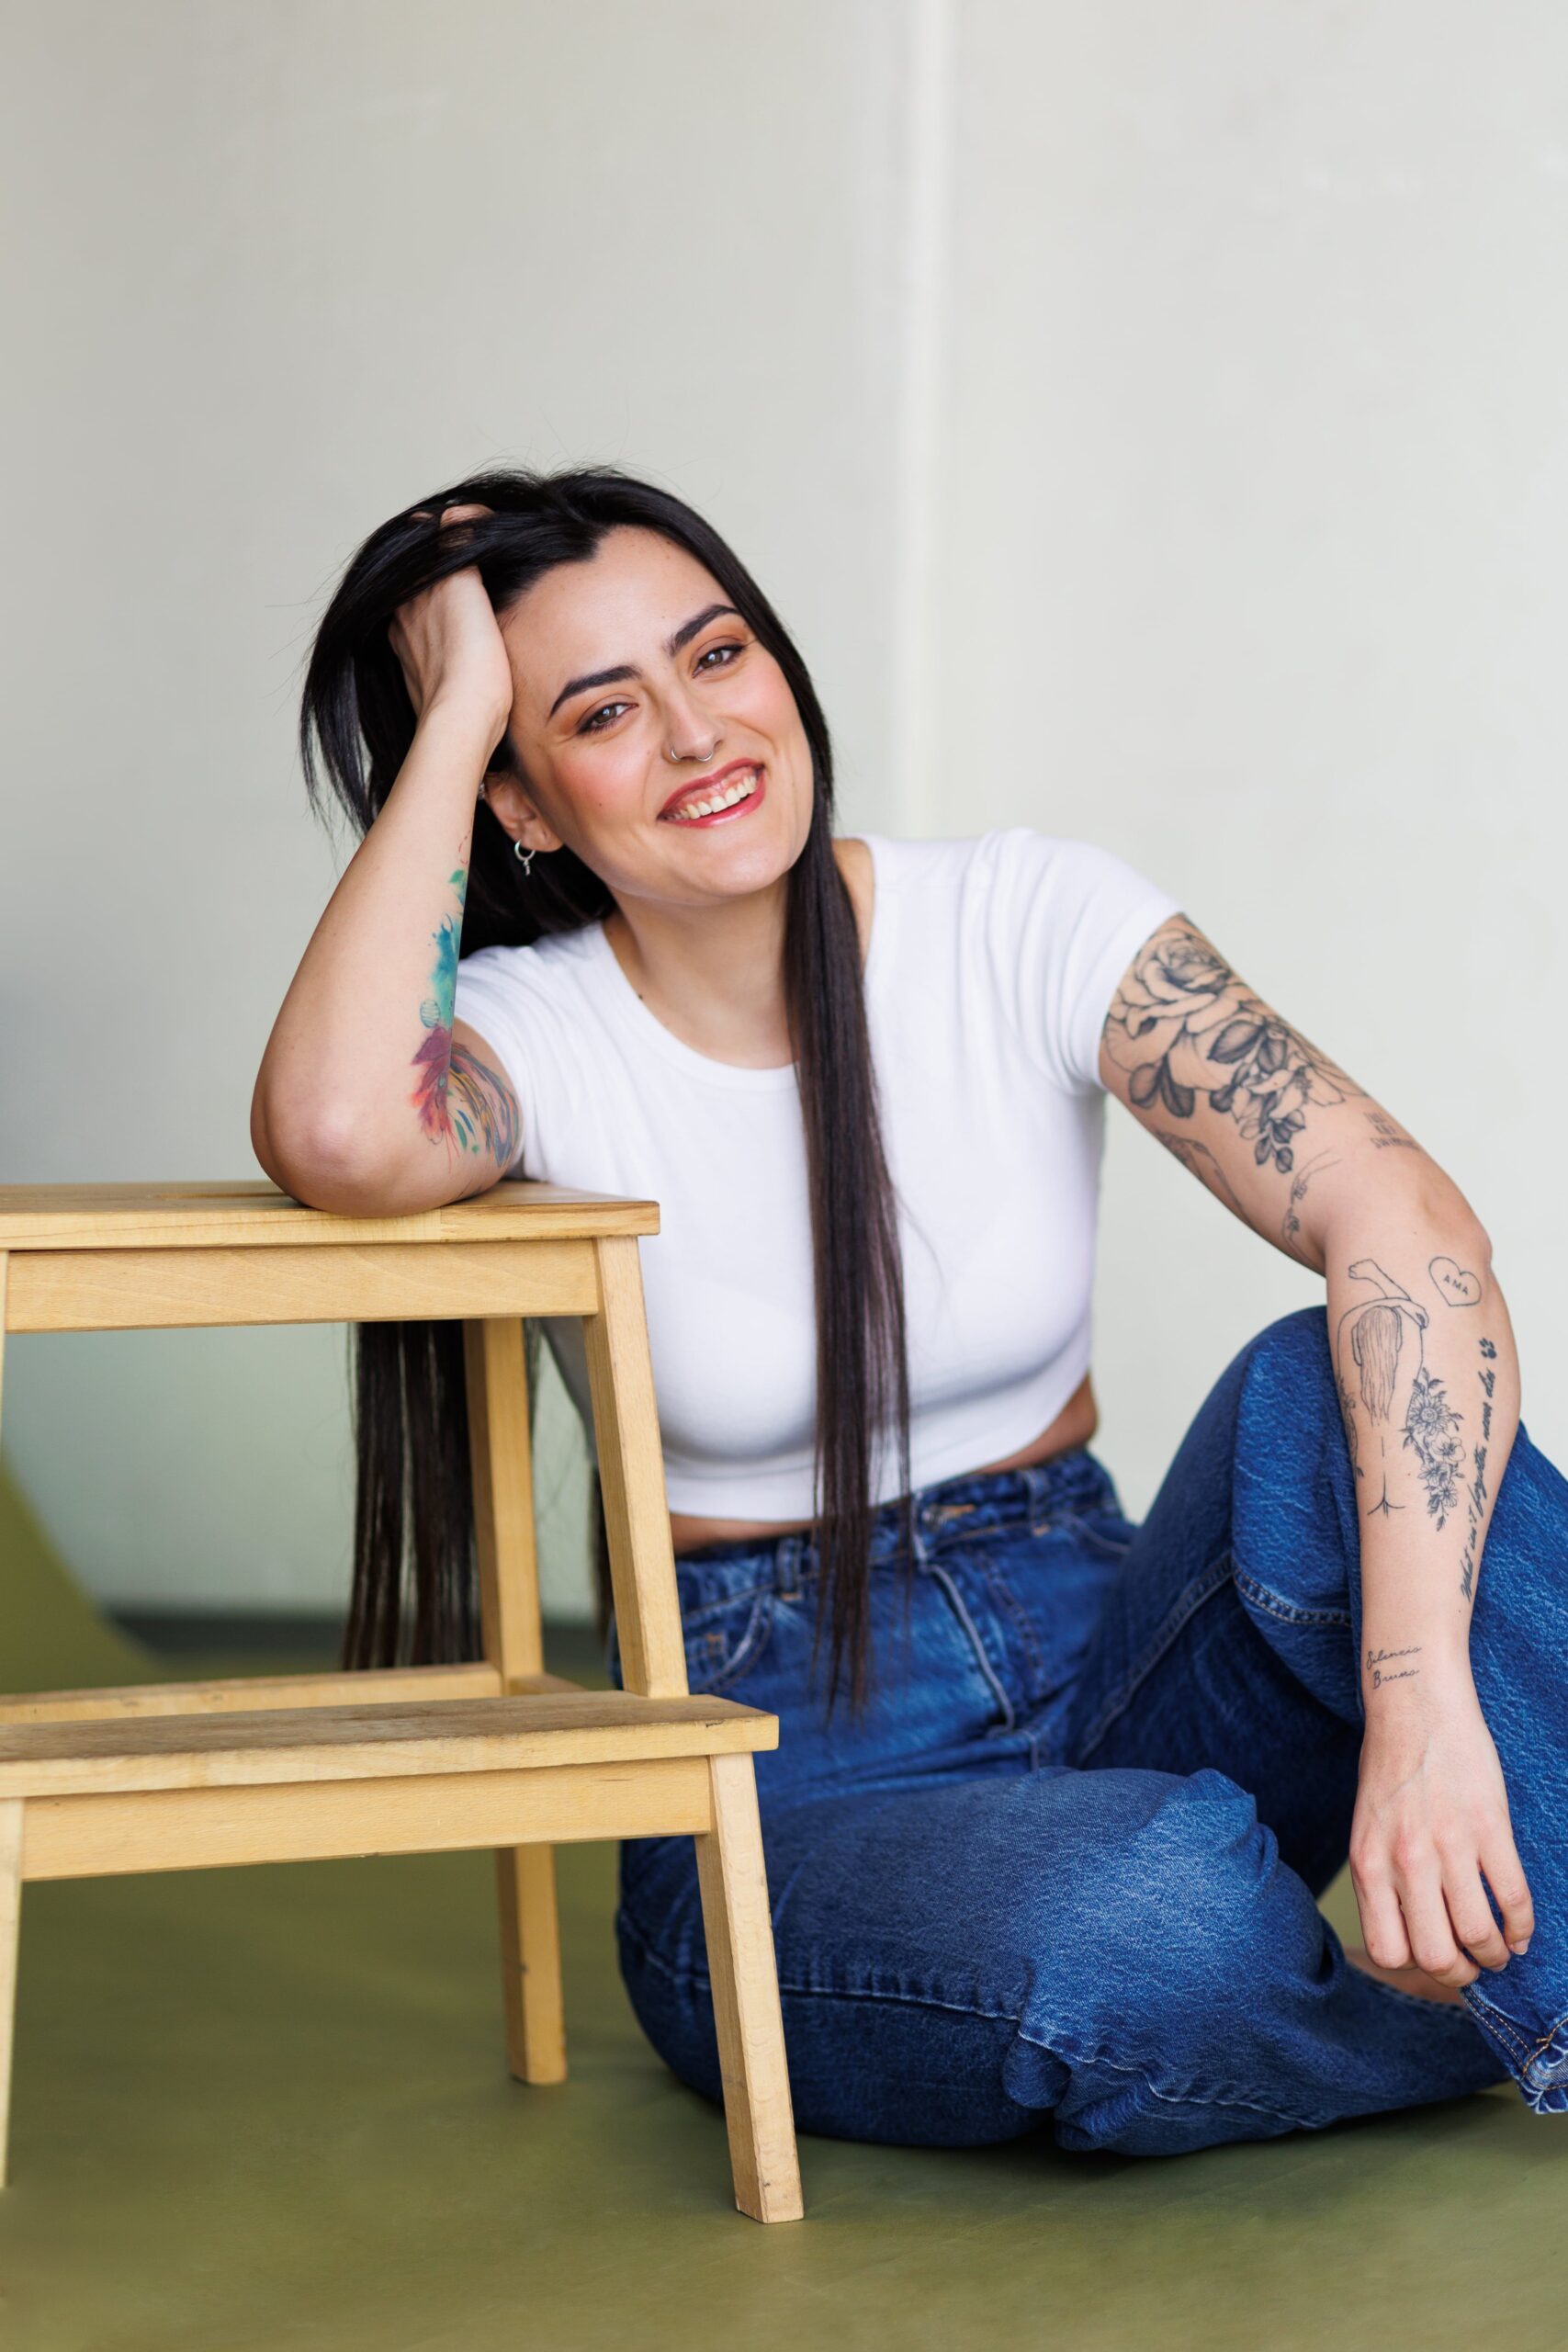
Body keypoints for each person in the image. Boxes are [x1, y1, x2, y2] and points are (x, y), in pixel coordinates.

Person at [253, 464, 1568, 2156]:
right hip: (788, 1779)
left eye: (717, 654)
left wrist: (1422, 1702)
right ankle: (1374, 2006)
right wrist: (451, 721)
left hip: (1118, 1658)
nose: (699, 733)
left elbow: (1405, 1219)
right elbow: (337, 1135)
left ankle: (1392, 1951)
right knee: (1149, 1913)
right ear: (523, 798)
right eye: (600, 712)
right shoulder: (528, 1037)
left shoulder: (1021, 916)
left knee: (1337, 1380)